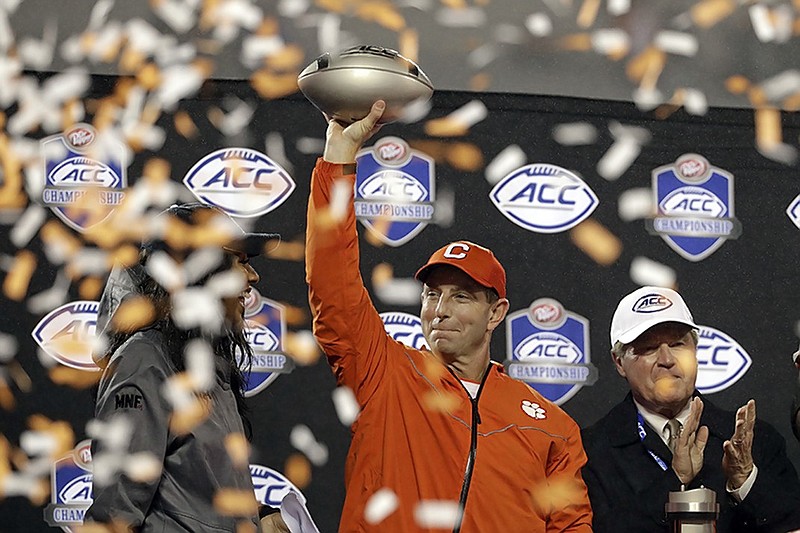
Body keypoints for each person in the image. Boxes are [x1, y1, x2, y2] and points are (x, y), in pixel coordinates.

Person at [305, 100, 592, 532]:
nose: (439, 310)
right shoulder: (385, 374)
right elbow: (334, 284)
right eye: (431, 294)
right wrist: (338, 161)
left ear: (496, 313)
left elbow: (572, 527)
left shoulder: (552, 425)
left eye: (460, 297)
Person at [84, 202, 293, 532]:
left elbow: (192, 491)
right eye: (239, 261)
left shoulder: (206, 365)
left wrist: (260, 516)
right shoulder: (145, 362)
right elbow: (115, 514)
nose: (254, 276)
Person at [581, 285, 800, 532]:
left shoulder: (757, 441)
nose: (666, 359)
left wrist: (745, 481)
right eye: (649, 348)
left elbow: (791, 524)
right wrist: (674, 480)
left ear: (695, 351)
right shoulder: (589, 451)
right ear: (619, 362)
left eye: (677, 344)